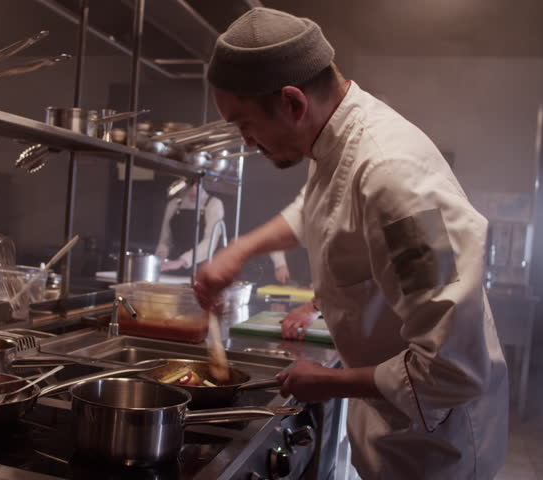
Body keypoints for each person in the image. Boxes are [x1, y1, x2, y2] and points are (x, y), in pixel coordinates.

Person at [194, 8, 507, 479]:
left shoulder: (395, 183)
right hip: (393, 423)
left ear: (293, 103)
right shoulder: (335, 136)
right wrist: (237, 252)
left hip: (438, 446)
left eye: (244, 125)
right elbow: (318, 210)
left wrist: (333, 381)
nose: (248, 141)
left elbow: (454, 368)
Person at [155, 182, 224, 275]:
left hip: (202, 269)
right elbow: (165, 238)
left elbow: (210, 242)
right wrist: (161, 255)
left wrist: (182, 261)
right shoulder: (174, 204)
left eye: (197, 185)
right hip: (173, 265)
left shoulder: (214, 204)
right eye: (190, 186)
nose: (193, 190)